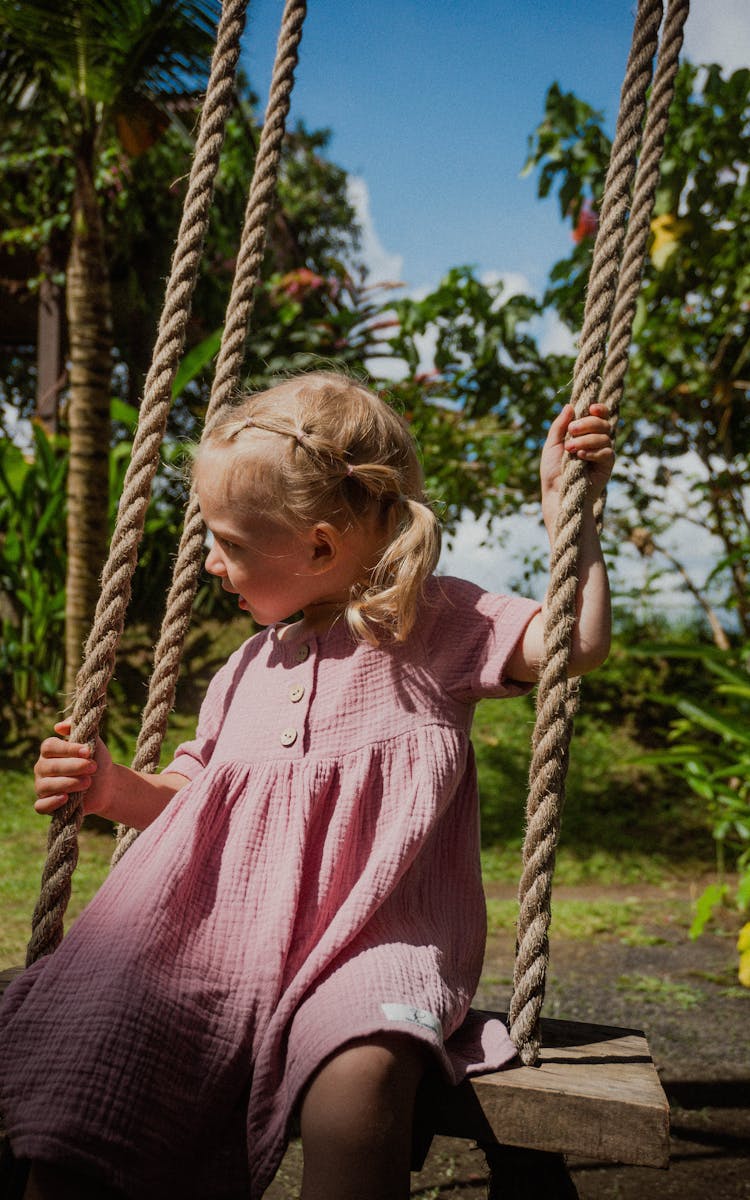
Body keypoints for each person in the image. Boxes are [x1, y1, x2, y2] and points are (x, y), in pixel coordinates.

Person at [0, 371, 614, 1200]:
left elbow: (574, 641)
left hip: (375, 945)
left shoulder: (438, 627)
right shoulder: (246, 668)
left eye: (230, 543)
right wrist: (113, 788)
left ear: (321, 546)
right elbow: (198, 794)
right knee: (101, 1043)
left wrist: (571, 519)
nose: (212, 563)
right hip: (220, 943)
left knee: (360, 1074)